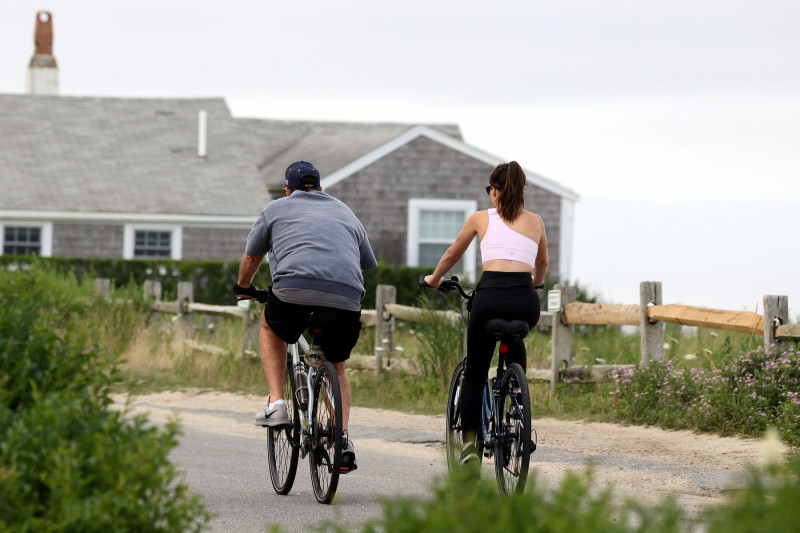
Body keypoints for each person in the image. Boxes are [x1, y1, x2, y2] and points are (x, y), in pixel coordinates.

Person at [234, 160, 378, 474]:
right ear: (321, 188)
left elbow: (252, 256)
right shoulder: (345, 212)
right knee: (336, 367)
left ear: (287, 190)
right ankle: (342, 439)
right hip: (345, 298)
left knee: (269, 325)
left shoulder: (274, 209)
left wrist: (244, 287)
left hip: (293, 291)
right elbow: (368, 263)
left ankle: (277, 403)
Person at [423, 160, 548, 466]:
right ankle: (518, 401)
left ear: (494, 191)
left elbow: (452, 253)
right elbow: (542, 264)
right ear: (522, 192)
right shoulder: (536, 222)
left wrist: (434, 279)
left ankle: (469, 445)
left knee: (475, 374)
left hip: (489, 299)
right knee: (514, 336)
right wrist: (534, 284)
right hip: (525, 302)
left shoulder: (481, 218)